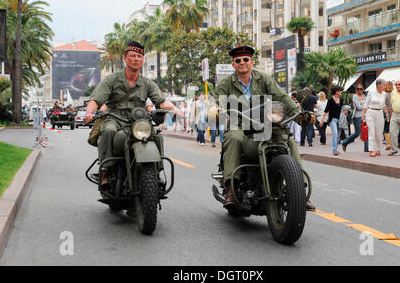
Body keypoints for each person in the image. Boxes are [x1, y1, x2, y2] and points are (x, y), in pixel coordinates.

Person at [209, 45, 315, 211]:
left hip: (264, 123)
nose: (242, 62)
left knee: (287, 140)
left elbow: (282, 97)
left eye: (246, 59)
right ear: (233, 64)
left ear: (252, 62)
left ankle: (299, 190)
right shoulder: (226, 84)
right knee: (234, 138)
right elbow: (215, 101)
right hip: (239, 124)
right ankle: (231, 187)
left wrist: (299, 114)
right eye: (238, 60)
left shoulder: (264, 79)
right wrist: (214, 109)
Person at [83, 41, 184, 189]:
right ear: (125, 58)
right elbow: (96, 99)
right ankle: (105, 170)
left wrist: (176, 110)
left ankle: (155, 173)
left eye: (139, 56)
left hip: (138, 121)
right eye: (132, 56)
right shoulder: (112, 80)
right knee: (108, 131)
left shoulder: (147, 83)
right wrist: (89, 113)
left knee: (156, 136)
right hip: (115, 118)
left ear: (142, 60)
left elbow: (161, 102)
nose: (136, 59)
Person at [362, 79, 389, 157]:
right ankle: (372, 150)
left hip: (380, 113)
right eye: (384, 85)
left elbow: (383, 104)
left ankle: (377, 149)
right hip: (371, 112)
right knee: (372, 132)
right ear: (379, 85)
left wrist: (387, 113)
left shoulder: (384, 94)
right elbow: (366, 104)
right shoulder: (371, 92)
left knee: (379, 133)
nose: (385, 87)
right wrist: (363, 115)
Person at [341, 84, 368, 152]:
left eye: (361, 89)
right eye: (358, 89)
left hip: (365, 116)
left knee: (366, 131)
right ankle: (345, 142)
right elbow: (359, 107)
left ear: (363, 89)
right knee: (357, 133)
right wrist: (364, 106)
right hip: (357, 116)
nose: (359, 90)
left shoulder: (364, 96)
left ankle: (366, 148)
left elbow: (368, 104)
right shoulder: (355, 96)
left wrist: (364, 106)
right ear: (356, 90)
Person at [320, 85, 344, 156]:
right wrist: (322, 121)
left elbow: (342, 109)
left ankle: (336, 149)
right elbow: (326, 111)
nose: (341, 92)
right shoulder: (330, 100)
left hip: (340, 120)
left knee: (338, 136)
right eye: (340, 90)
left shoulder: (341, 99)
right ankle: (334, 150)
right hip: (332, 120)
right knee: (335, 134)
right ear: (336, 91)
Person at [383, 81, 393, 150]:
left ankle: (388, 144)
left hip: (386, 112)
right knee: (392, 128)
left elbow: (383, 104)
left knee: (386, 128)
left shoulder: (384, 94)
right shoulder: (394, 94)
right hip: (393, 111)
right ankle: (392, 143)